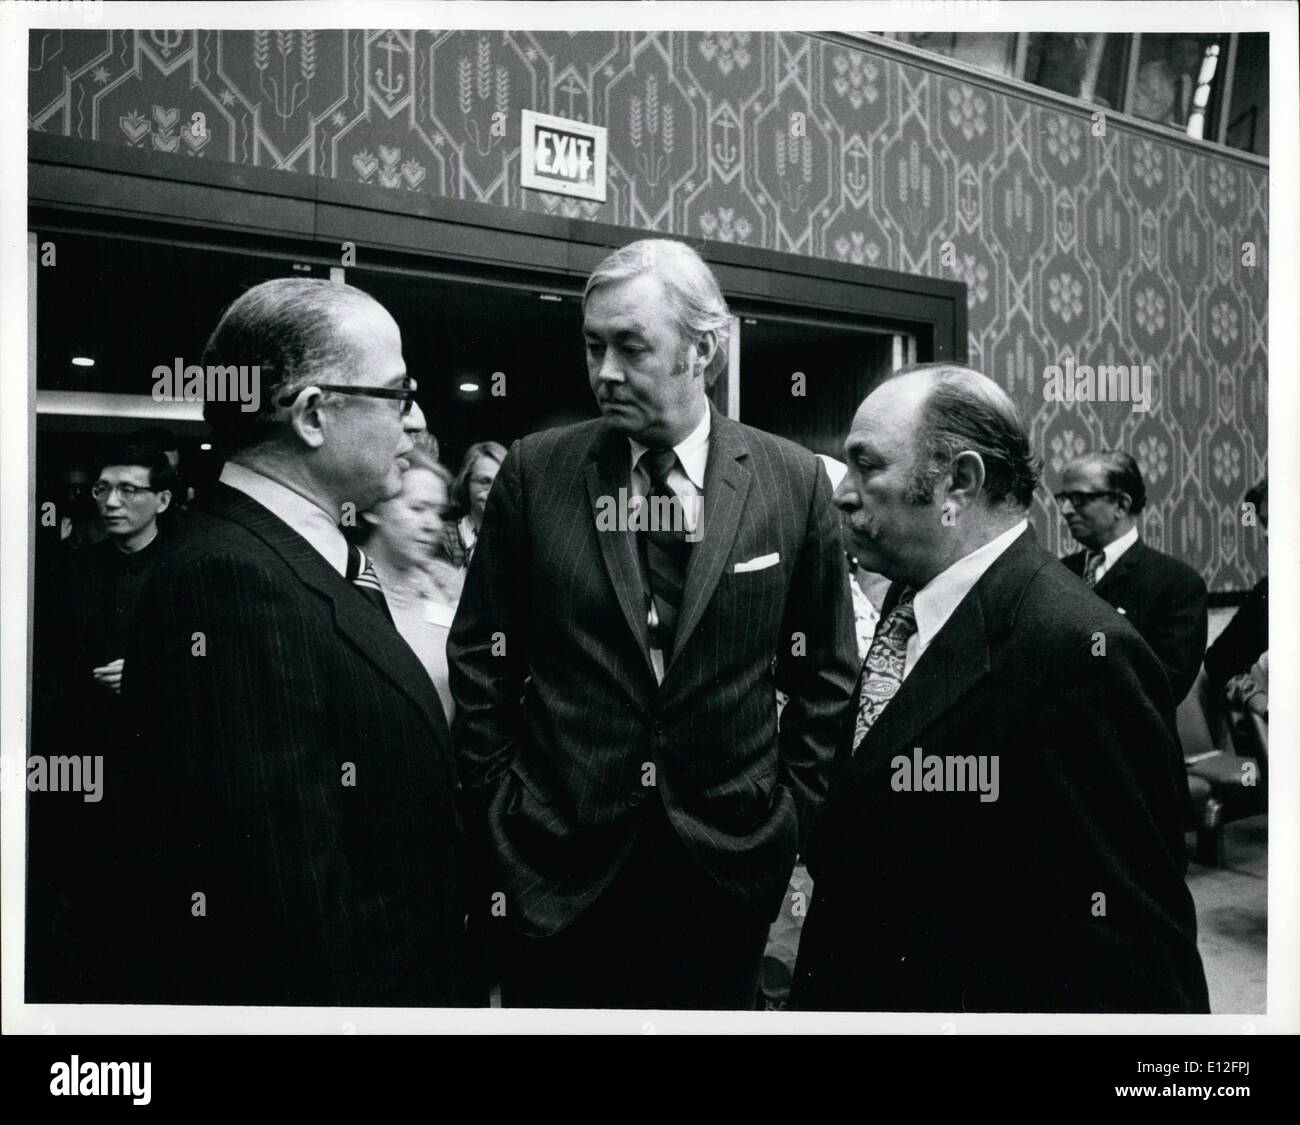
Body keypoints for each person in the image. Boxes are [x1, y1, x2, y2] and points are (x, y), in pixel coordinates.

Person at [448, 238, 857, 1009]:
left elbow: (826, 673)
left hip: (726, 865)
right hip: (556, 866)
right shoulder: (538, 473)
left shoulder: (790, 480)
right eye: (593, 345)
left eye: (630, 346)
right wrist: (500, 808)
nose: (604, 370)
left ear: (704, 348)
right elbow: (479, 658)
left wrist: (790, 817)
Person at [791, 363, 1208, 1013]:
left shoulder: (1078, 652)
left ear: (960, 481)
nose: (843, 493)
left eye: (866, 466)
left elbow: (1134, 948)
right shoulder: (911, 604)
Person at [100, 277, 468, 1006]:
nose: (418, 419)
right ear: (311, 415)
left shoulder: (307, 554)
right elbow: (281, 912)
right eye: (397, 394)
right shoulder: (230, 584)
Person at [27, 440, 178, 1001]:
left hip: (159, 764)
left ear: (161, 499)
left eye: (128, 490)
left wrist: (150, 674)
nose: (111, 501)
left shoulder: (187, 568)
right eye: (102, 489)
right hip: (83, 755)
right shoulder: (69, 568)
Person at [1057, 451, 1208, 705]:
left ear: (1121, 505)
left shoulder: (1177, 583)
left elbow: (1165, 686)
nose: (1066, 510)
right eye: (1063, 498)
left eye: (1079, 498)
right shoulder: (1059, 572)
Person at [350, 447, 464, 720]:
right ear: (374, 509)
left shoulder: (449, 588)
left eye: (438, 513)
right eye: (417, 508)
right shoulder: (339, 580)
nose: (431, 525)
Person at [1204, 478, 1268, 703]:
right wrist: (1257, 699)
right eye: (1264, 523)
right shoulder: (1269, 593)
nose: (1267, 535)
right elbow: (1219, 663)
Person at [441, 441, 506, 569]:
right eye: (484, 481)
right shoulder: (444, 536)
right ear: (466, 483)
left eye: (500, 482)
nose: (493, 490)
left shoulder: (520, 536)